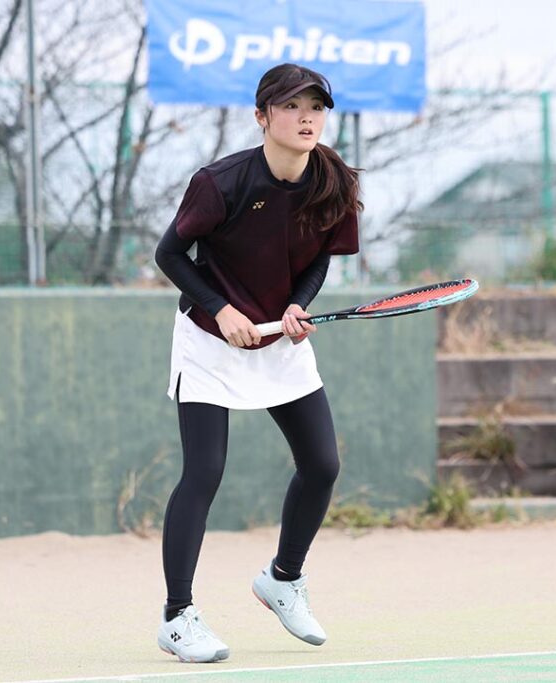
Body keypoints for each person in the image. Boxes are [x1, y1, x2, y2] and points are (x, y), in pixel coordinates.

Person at [153, 63, 361, 663]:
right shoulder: (220, 183)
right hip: (208, 340)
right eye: (291, 107)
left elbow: (320, 257)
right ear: (262, 116)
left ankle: (282, 579)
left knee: (322, 465)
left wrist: (299, 304)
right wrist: (220, 310)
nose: (306, 118)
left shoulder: (334, 181)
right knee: (204, 472)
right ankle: (177, 617)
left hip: (279, 339)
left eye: (316, 108)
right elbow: (170, 253)